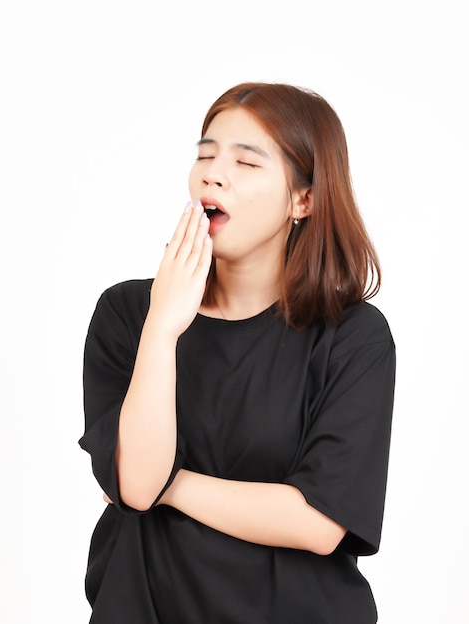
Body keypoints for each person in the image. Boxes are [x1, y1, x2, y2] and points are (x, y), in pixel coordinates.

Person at [79, 82, 396, 623]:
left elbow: (319, 522)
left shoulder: (352, 336)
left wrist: (171, 486)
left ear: (304, 199)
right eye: (205, 154)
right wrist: (163, 325)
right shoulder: (129, 314)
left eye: (246, 162)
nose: (212, 172)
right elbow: (135, 482)